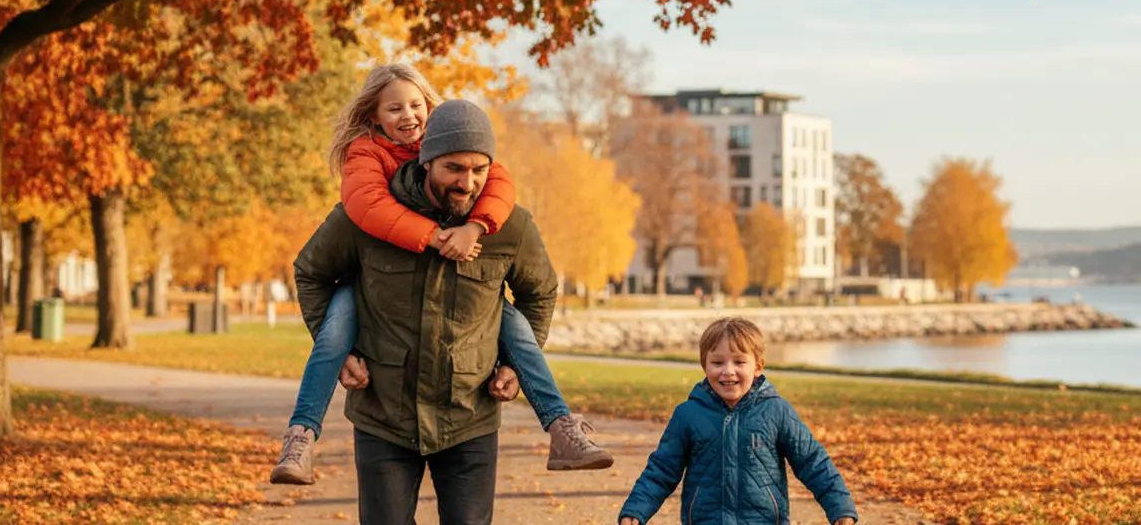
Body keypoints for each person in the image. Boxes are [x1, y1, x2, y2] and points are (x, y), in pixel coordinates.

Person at [270, 66, 612, 484]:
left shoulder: (463, 159)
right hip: (373, 332)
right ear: (375, 116)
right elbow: (366, 209)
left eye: (416, 105)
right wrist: (433, 236)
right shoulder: (365, 157)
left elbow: (502, 187)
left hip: (469, 416)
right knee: (335, 327)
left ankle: (561, 425)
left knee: (511, 322)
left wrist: (477, 226)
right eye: (394, 108)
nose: (407, 116)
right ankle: (302, 432)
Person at [293, 99, 570, 523]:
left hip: (469, 418)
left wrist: (512, 366)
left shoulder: (510, 226)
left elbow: (540, 293)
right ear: (426, 161)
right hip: (382, 415)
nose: (468, 183)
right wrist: (340, 352)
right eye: (455, 169)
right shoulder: (365, 217)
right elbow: (311, 273)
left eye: (479, 170)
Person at [618, 317, 859, 525]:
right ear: (705, 366)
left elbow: (812, 462)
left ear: (758, 367)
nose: (728, 371)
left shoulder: (777, 411)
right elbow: (661, 469)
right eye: (717, 362)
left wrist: (840, 507)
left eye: (739, 362)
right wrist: (636, 510)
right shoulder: (688, 415)